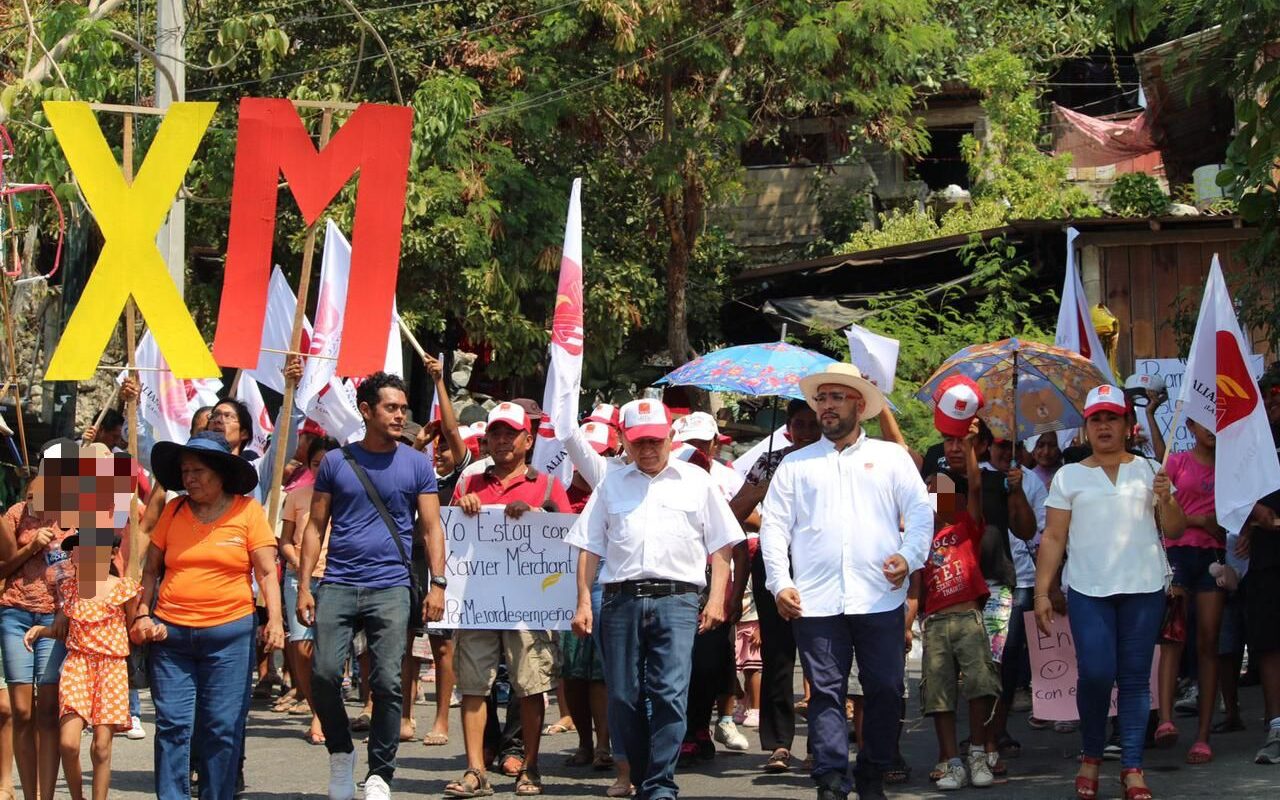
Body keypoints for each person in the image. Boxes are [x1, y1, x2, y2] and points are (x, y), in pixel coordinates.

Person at [759, 363, 932, 800]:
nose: (828, 407)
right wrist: (780, 583)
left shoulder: (891, 458)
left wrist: (908, 557)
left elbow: (921, 515)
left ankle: (872, 772)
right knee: (826, 695)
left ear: (859, 404)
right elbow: (774, 528)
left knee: (886, 690)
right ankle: (832, 779)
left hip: (879, 597)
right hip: (815, 603)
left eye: (837, 397)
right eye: (822, 399)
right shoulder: (795, 465)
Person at [568, 398, 744, 800]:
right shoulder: (611, 482)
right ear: (624, 442)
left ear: (671, 437)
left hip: (678, 601)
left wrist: (717, 598)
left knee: (669, 692)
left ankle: (659, 784)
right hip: (619, 600)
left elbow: (722, 545)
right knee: (623, 694)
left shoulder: (697, 481)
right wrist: (582, 601)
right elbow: (589, 546)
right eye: (638, 442)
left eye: (655, 441)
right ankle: (645, 774)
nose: (647, 449)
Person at [296, 372, 446, 800]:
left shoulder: (417, 463)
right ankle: (342, 753)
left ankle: (381, 772)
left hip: (392, 585)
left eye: (403, 408)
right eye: (391, 408)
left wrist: (438, 584)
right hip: (339, 581)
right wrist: (306, 585)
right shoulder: (336, 462)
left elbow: (433, 528)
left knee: (387, 681)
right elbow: (315, 525)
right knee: (323, 674)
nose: (400, 415)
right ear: (366, 410)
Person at [1034, 384, 1186, 800]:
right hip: (1088, 590)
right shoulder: (1068, 476)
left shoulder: (1150, 469)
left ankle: (1133, 767)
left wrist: (1166, 498)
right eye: (1096, 418)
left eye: (1111, 418)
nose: (1104, 425)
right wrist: (1043, 592)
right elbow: (1052, 537)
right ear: (1086, 428)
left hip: (1144, 588)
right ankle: (1091, 755)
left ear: (1127, 425)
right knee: (1097, 674)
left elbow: (1174, 529)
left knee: (1137, 679)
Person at [137, 431, 285, 800]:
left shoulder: (248, 512)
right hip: (170, 637)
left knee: (221, 727)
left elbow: (267, 572)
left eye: (198, 470)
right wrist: (142, 613)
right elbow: (151, 570)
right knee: (172, 726)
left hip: (229, 637)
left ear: (220, 472)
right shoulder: (172, 510)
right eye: (185, 471)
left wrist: (277, 622)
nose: (189, 478)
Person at [444, 402, 569, 798]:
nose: (502, 440)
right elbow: (449, 542)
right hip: (478, 601)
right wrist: (462, 510)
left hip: (530, 604)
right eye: (495, 433)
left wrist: (537, 516)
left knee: (531, 685)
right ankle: (475, 771)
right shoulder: (468, 483)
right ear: (486, 440)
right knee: (474, 684)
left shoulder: (549, 487)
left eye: (510, 433)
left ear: (527, 440)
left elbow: (569, 541)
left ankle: (530, 768)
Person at [728, 398, 821, 774]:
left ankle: (820, 741)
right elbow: (734, 510)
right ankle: (779, 744)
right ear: (788, 427)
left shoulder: (831, 461)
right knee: (779, 657)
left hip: (818, 566)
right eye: (799, 424)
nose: (806, 432)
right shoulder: (769, 461)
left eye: (812, 424)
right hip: (774, 565)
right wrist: (762, 500)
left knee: (821, 656)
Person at [917, 399, 1000, 791]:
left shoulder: (967, 524)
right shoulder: (919, 539)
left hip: (968, 616)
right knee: (939, 693)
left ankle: (979, 753)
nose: (939, 494)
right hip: (934, 622)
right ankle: (951, 761)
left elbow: (976, 484)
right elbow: (915, 585)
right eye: (932, 490)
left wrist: (966, 444)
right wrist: (908, 622)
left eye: (944, 489)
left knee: (980, 684)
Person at [26, 531, 141, 800]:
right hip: (77, 665)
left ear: (111, 554)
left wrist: (152, 631)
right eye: (78, 550)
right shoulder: (69, 588)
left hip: (111, 669)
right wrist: (39, 631)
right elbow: (60, 628)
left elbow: (133, 630)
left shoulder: (124, 588)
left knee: (101, 747)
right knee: (68, 743)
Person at [0, 446, 73, 800]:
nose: (35, 501)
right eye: (31, 495)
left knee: (47, 709)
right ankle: (27, 792)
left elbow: (81, 574)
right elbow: (2, 568)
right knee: (21, 709)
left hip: (53, 619)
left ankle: (45, 796)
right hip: (14, 613)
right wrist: (30, 548)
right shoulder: (14, 516)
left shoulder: (72, 517)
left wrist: (64, 611)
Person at [1155, 418, 1227, 763]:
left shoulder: (1233, 466)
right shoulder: (1176, 461)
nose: (1210, 428)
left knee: (1208, 643)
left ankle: (1203, 735)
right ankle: (1166, 719)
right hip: (1177, 554)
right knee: (1173, 636)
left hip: (1213, 557)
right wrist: (1200, 521)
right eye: (1203, 421)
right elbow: (1162, 508)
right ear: (1189, 425)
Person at [280, 435, 340, 746]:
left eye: (328, 464)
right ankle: (317, 707)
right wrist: (299, 564)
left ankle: (324, 714)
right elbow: (285, 540)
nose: (323, 469)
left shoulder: (346, 495)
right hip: (297, 578)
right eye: (317, 464)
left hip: (335, 578)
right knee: (301, 647)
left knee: (328, 650)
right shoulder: (296, 496)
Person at [1242, 365, 1280, 765]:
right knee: (1269, 641)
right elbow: (1229, 485)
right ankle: (1276, 724)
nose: (1272, 402)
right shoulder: (1249, 442)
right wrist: (1254, 509)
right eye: (1267, 395)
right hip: (1268, 555)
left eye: (1278, 394)